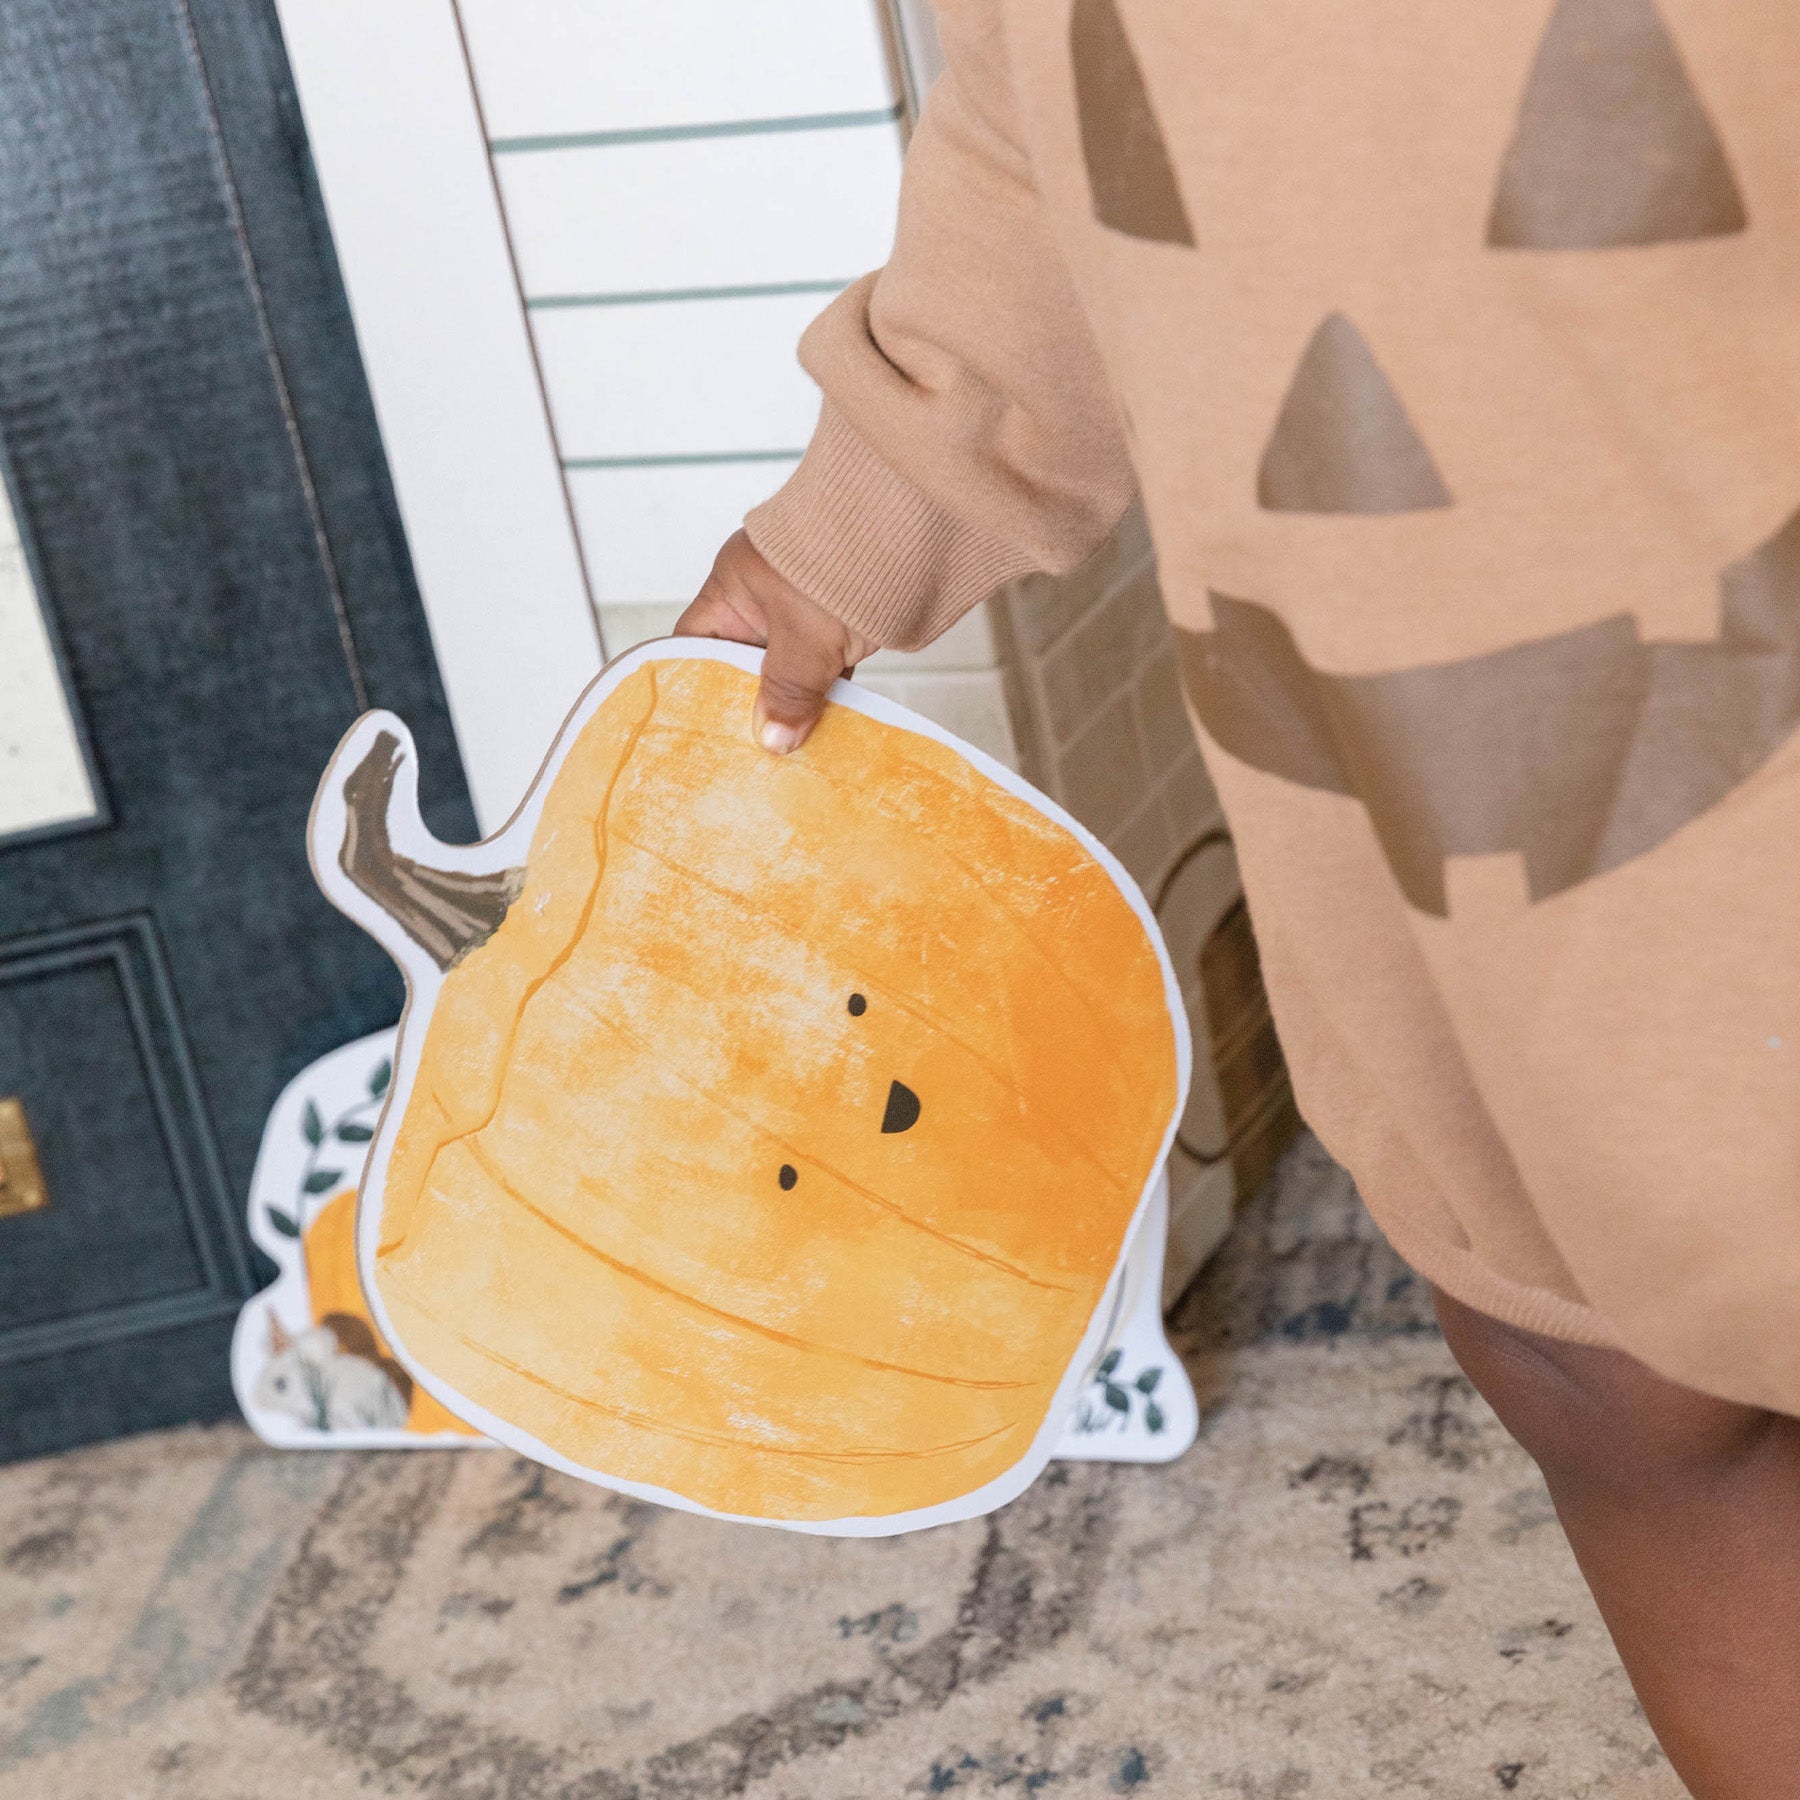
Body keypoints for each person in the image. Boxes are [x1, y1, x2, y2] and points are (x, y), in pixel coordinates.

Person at [673, 3, 1800, 1790]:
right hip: (1397, 753)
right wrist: (861, 511)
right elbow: (1045, 125)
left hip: (1745, 614)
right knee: (1581, 1346)